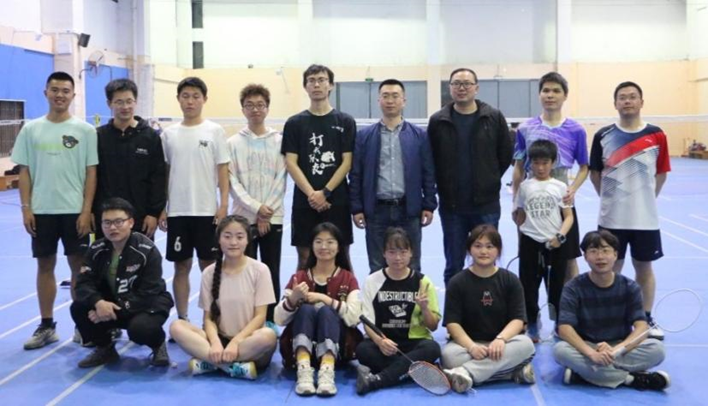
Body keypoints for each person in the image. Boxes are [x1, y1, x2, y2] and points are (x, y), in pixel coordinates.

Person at [12, 71, 98, 350]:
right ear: (46, 92)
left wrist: (86, 210)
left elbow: (91, 173)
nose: (60, 95)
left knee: (79, 269)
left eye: (65, 90)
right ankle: (47, 325)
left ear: (73, 95)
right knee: (44, 266)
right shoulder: (31, 129)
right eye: (55, 90)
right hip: (42, 212)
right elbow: (24, 172)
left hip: (74, 212)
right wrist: (26, 208)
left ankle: (81, 325)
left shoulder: (85, 131)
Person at [589, 81, 671, 340]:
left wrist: (646, 200)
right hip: (611, 219)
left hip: (645, 219)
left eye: (632, 97)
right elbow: (595, 174)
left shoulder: (657, 135)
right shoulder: (603, 135)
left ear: (641, 102)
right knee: (609, 269)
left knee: (644, 268)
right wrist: (610, 199)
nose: (627, 101)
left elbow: (661, 173)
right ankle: (610, 320)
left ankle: (645, 319)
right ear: (615, 103)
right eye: (622, 97)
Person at [553, 230, 669, 391]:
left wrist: (616, 350)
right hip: (587, 346)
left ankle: (585, 375)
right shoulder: (573, 287)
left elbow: (641, 327)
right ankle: (631, 379)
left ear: (615, 254)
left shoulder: (630, 287)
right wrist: (592, 354)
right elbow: (564, 329)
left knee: (657, 350)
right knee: (560, 351)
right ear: (585, 256)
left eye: (605, 250)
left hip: (620, 346)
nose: (600, 257)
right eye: (593, 251)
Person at [428, 68, 513, 285]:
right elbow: (431, 159)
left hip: (486, 206)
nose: (462, 88)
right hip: (452, 207)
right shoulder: (438, 121)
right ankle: (454, 306)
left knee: (487, 261)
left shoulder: (493, 117)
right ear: (450, 88)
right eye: (456, 83)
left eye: (467, 83)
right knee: (453, 264)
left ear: (476, 88)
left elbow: (505, 155)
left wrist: (489, 178)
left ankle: (486, 304)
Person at [158, 77, 231, 325]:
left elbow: (222, 169)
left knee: (209, 267)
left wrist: (223, 205)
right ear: (178, 99)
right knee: (181, 267)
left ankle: (210, 320)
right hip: (178, 212)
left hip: (206, 211)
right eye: (185, 96)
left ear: (204, 99)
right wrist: (163, 208)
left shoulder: (215, 131)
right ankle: (182, 318)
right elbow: (165, 173)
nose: (190, 101)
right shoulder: (168, 135)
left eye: (195, 96)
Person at [169, 215, 277, 379]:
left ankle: (211, 362)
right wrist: (215, 343)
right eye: (227, 236)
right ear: (219, 240)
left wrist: (236, 342)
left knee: (268, 336)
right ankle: (229, 367)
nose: (233, 242)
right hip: (219, 341)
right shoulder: (209, 273)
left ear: (247, 240)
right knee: (176, 326)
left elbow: (260, 317)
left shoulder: (260, 270)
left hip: (247, 342)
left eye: (239, 237)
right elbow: (208, 318)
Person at [71, 198, 173, 367]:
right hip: (111, 304)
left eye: (119, 222)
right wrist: (98, 303)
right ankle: (105, 349)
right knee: (78, 308)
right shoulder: (96, 249)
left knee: (140, 329)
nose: (112, 227)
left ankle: (158, 345)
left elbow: (149, 292)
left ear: (131, 222)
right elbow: (83, 284)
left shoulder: (147, 250)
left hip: (147, 305)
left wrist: (112, 309)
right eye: (107, 223)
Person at [350, 79, 437, 273]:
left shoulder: (419, 136)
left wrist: (429, 204)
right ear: (378, 100)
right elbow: (356, 175)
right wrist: (356, 208)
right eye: (385, 96)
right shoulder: (364, 137)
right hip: (376, 212)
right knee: (377, 266)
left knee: (411, 265)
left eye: (395, 96)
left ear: (404, 101)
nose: (390, 101)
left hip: (409, 210)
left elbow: (428, 172)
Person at [512, 72, 588, 283]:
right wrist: (516, 203)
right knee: (530, 259)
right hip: (532, 200)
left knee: (568, 258)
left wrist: (572, 189)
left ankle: (569, 301)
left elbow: (584, 167)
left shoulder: (576, 130)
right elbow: (519, 167)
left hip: (561, 200)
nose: (550, 95)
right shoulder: (525, 128)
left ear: (565, 95)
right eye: (546, 90)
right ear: (539, 95)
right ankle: (529, 302)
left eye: (556, 91)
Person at [441, 225, 535, 392]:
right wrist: (471, 347)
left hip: (503, 344)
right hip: (468, 346)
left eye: (489, 246)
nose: (483, 251)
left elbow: (518, 320)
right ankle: (512, 373)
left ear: (498, 250)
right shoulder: (457, 282)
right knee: (449, 356)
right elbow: (452, 323)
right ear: (469, 250)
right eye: (478, 246)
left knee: (526, 345)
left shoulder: (510, 280)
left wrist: (501, 339)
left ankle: (466, 373)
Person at [281, 64, 356, 271]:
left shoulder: (345, 121)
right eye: (311, 80)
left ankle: (346, 293)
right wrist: (312, 195)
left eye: (322, 80)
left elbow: (347, 162)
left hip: (337, 200)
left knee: (341, 255)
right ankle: (302, 293)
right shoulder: (294, 123)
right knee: (305, 256)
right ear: (305, 86)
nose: (316, 85)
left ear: (330, 85)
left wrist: (325, 192)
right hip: (305, 202)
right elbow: (291, 162)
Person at [274, 222, 362, 397]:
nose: (324, 247)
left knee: (326, 311)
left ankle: (327, 370)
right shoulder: (299, 278)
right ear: (312, 246)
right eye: (318, 241)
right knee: (306, 310)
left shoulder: (348, 278)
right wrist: (293, 299)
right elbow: (278, 319)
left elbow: (355, 318)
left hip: (338, 350)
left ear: (339, 247)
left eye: (330, 242)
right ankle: (304, 369)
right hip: (297, 350)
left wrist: (326, 300)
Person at [355, 227, 441, 395]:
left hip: (414, 342)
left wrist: (424, 308)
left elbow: (433, 326)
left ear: (411, 253)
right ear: (384, 253)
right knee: (363, 350)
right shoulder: (372, 281)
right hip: (385, 343)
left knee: (432, 348)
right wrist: (380, 341)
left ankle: (378, 379)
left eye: (403, 252)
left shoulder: (423, 282)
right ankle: (415, 371)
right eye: (392, 252)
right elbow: (368, 323)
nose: (398, 258)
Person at [228, 83, 286, 323]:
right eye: (249, 105)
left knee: (271, 270)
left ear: (267, 108)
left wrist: (265, 213)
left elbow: (282, 178)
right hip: (243, 220)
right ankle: (245, 320)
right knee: (244, 272)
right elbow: (232, 182)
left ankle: (270, 321)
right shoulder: (232, 143)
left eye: (260, 105)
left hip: (273, 217)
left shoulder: (280, 141)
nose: (255, 110)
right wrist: (256, 209)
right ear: (242, 109)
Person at [514, 140, 574, 341]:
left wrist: (559, 236)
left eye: (545, 163)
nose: (540, 167)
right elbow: (520, 215)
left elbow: (569, 217)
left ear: (553, 162)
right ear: (530, 163)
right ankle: (532, 322)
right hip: (530, 242)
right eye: (536, 163)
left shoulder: (561, 187)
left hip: (554, 243)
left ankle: (559, 324)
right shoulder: (525, 187)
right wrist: (521, 236)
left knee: (556, 285)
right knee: (529, 286)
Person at [94, 78, 166, 240]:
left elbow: (158, 177)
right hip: (107, 218)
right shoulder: (99, 136)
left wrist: (153, 213)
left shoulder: (150, 137)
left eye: (129, 101)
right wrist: (92, 211)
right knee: (106, 256)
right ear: (109, 104)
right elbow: (93, 177)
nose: (125, 107)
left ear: (136, 102)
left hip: (141, 218)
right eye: (119, 102)